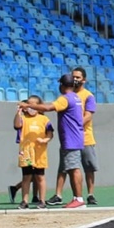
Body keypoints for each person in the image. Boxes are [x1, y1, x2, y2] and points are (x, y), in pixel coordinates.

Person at [28, 74, 88, 209]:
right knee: (72, 168)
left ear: (62, 85)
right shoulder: (76, 97)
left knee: (74, 169)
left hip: (71, 139)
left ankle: (78, 199)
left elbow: (48, 108)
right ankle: (77, 198)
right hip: (74, 137)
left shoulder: (65, 99)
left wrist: (29, 105)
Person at [47, 67, 99, 205]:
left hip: (85, 136)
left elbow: (88, 115)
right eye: (73, 76)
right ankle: (58, 195)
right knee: (64, 167)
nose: (75, 78)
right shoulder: (68, 96)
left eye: (78, 77)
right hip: (72, 136)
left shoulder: (88, 96)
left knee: (87, 167)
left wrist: (76, 125)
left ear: (84, 79)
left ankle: (90, 194)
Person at [13, 95, 53, 209]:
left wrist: (45, 139)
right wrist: (19, 112)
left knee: (40, 177)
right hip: (26, 151)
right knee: (27, 177)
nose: (31, 108)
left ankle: (42, 200)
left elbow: (50, 133)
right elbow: (17, 125)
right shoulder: (23, 118)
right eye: (28, 104)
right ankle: (24, 201)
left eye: (34, 105)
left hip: (39, 152)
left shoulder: (44, 119)